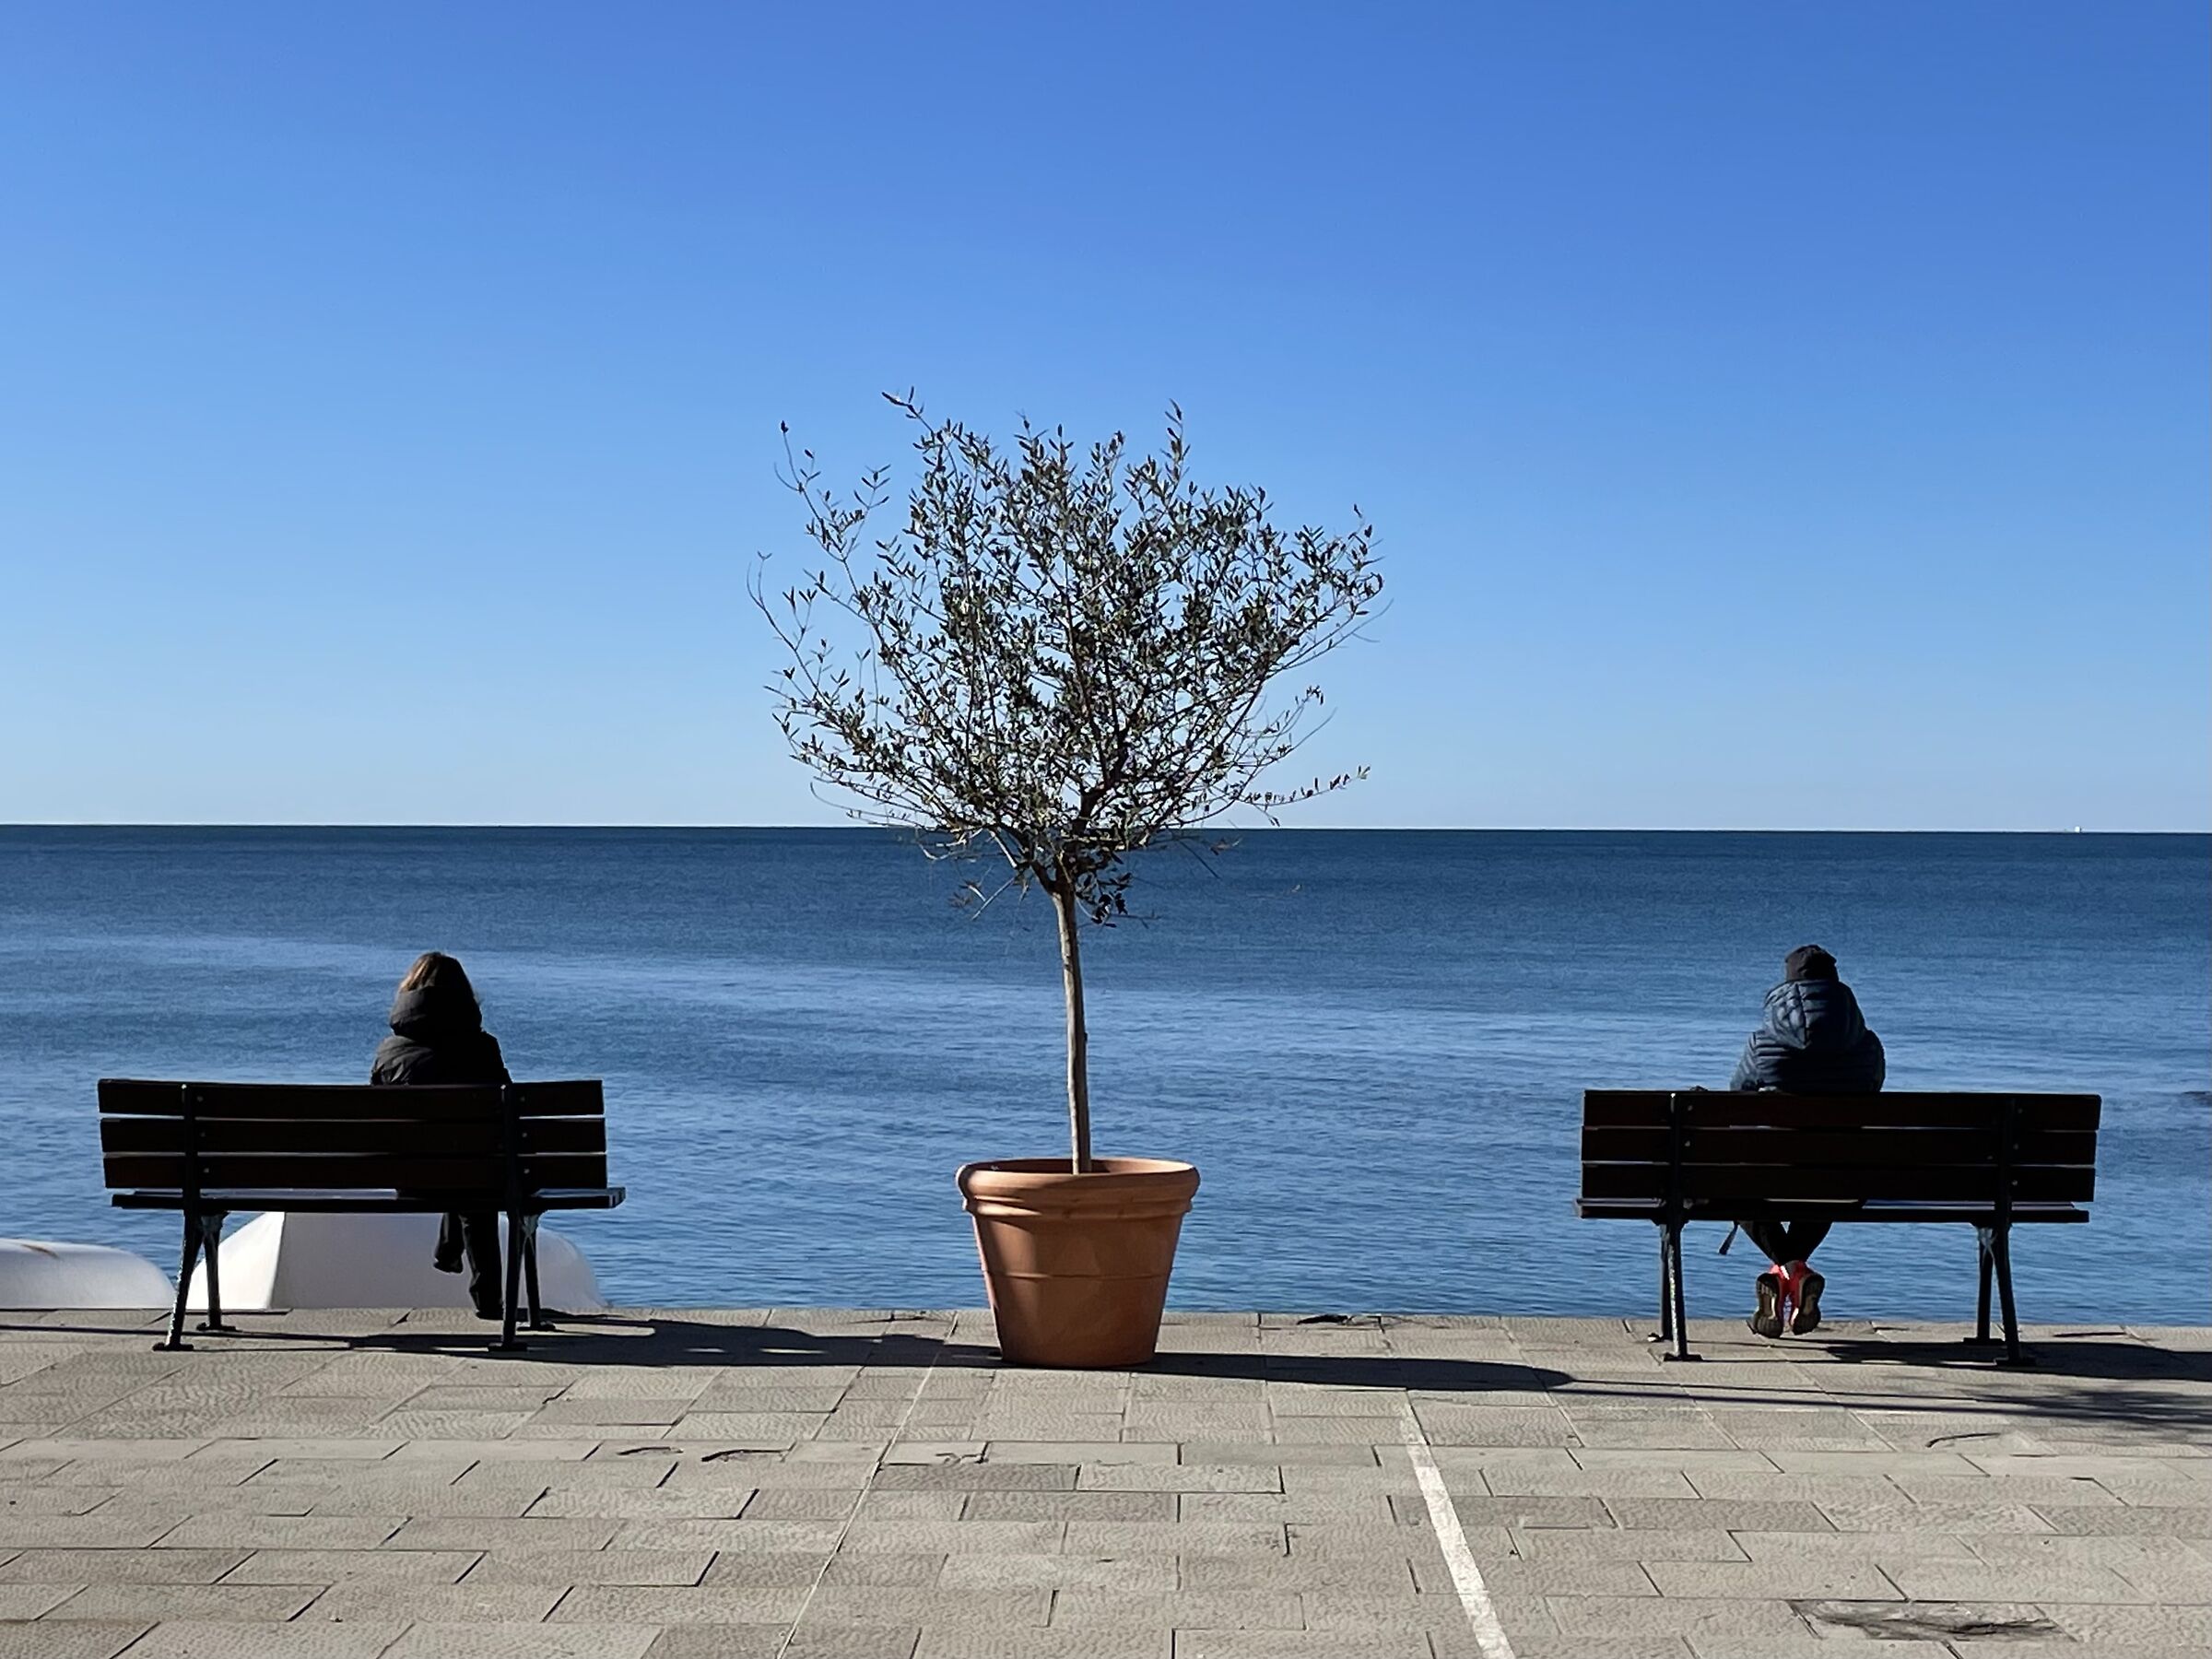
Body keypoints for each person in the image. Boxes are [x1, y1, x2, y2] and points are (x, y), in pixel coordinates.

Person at [1727, 944, 1885, 1338]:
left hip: (1775, 1177)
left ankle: (1788, 1270)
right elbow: (1874, 1093)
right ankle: (1793, 1273)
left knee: (1726, 1184)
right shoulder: (1866, 1045)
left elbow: (1735, 1104)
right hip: (1840, 1182)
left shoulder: (1762, 1044)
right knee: (1832, 1168)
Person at [370, 952, 509, 1319]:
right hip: (475, 1178)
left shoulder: (389, 1053)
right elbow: (509, 1114)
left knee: (452, 1160)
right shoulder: (482, 1048)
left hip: (410, 1178)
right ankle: (489, 1299)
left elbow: (373, 1123)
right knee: (473, 1173)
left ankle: (449, 1251)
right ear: (465, 997)